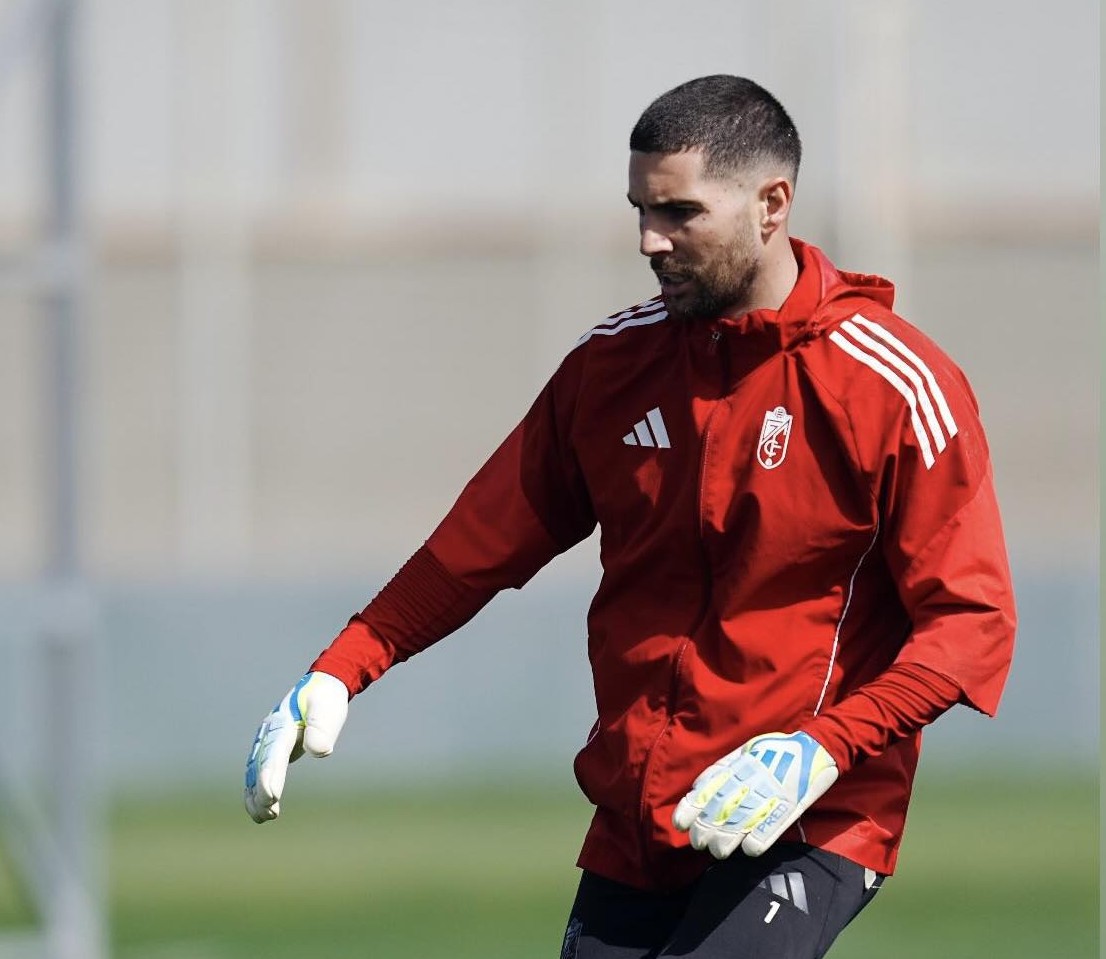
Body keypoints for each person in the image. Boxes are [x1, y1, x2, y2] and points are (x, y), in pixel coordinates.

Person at [244, 75, 1016, 959]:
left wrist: (821, 749)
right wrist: (341, 668)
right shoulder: (611, 367)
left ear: (772, 205)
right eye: (641, 211)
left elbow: (973, 623)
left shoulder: (893, 383)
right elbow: (473, 549)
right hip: (640, 815)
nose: (651, 239)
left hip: (809, 811)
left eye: (680, 213)